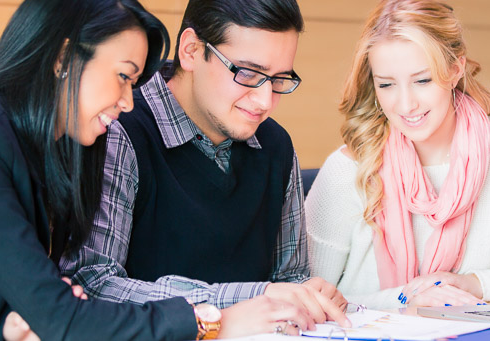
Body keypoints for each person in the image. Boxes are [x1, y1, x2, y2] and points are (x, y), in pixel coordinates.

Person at [0, 0, 310, 339]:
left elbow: (43, 303)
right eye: (124, 76)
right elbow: (64, 315)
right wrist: (215, 320)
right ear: (65, 58)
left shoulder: (59, 147)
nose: (128, 101)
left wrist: (18, 321)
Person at [59, 0, 351, 329]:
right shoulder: (118, 130)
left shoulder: (276, 146)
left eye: (280, 79)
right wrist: (246, 301)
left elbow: (289, 279)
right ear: (192, 50)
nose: (265, 100)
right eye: (248, 73)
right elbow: (93, 283)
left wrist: (307, 295)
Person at [305, 0, 490, 310]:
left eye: (422, 80)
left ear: (455, 69)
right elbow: (309, 296)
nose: (406, 104)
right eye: (386, 85)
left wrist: (473, 284)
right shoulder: (346, 169)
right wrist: (407, 299)